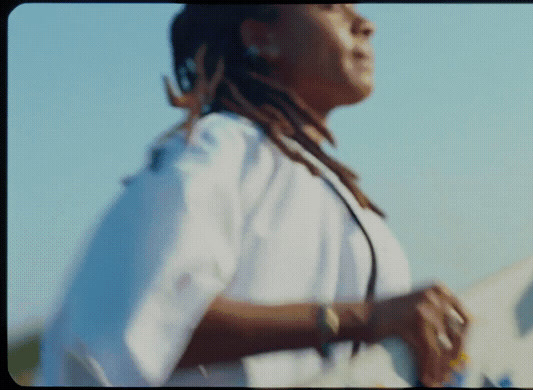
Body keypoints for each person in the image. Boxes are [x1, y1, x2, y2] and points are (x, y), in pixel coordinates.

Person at [38, 4, 469, 387]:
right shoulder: (216, 152)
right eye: (330, 6)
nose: (366, 24)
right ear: (263, 37)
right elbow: (142, 324)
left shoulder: (344, 197)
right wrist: (361, 319)